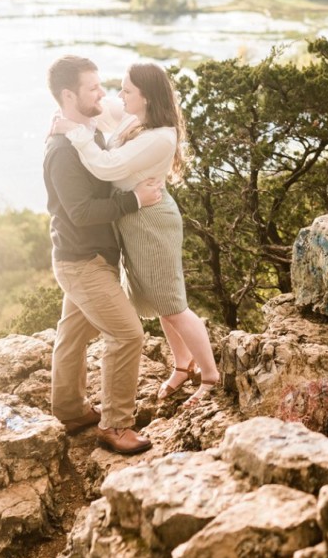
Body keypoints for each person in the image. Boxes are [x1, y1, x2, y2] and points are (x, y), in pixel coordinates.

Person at [52, 62, 220, 408]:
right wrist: (63, 119)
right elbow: (91, 105)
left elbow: (108, 167)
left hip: (150, 220)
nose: (118, 95)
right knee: (157, 299)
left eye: (126, 90)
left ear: (145, 96)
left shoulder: (160, 136)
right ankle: (181, 364)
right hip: (133, 217)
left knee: (172, 304)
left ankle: (210, 377)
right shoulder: (132, 116)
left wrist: (75, 132)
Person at [44, 54, 162, 454]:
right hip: (82, 260)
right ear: (68, 95)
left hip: (81, 256)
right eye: (93, 88)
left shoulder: (85, 132)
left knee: (73, 334)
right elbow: (80, 212)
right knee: (128, 335)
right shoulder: (63, 150)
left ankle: (71, 410)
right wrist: (135, 200)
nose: (102, 93)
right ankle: (115, 426)